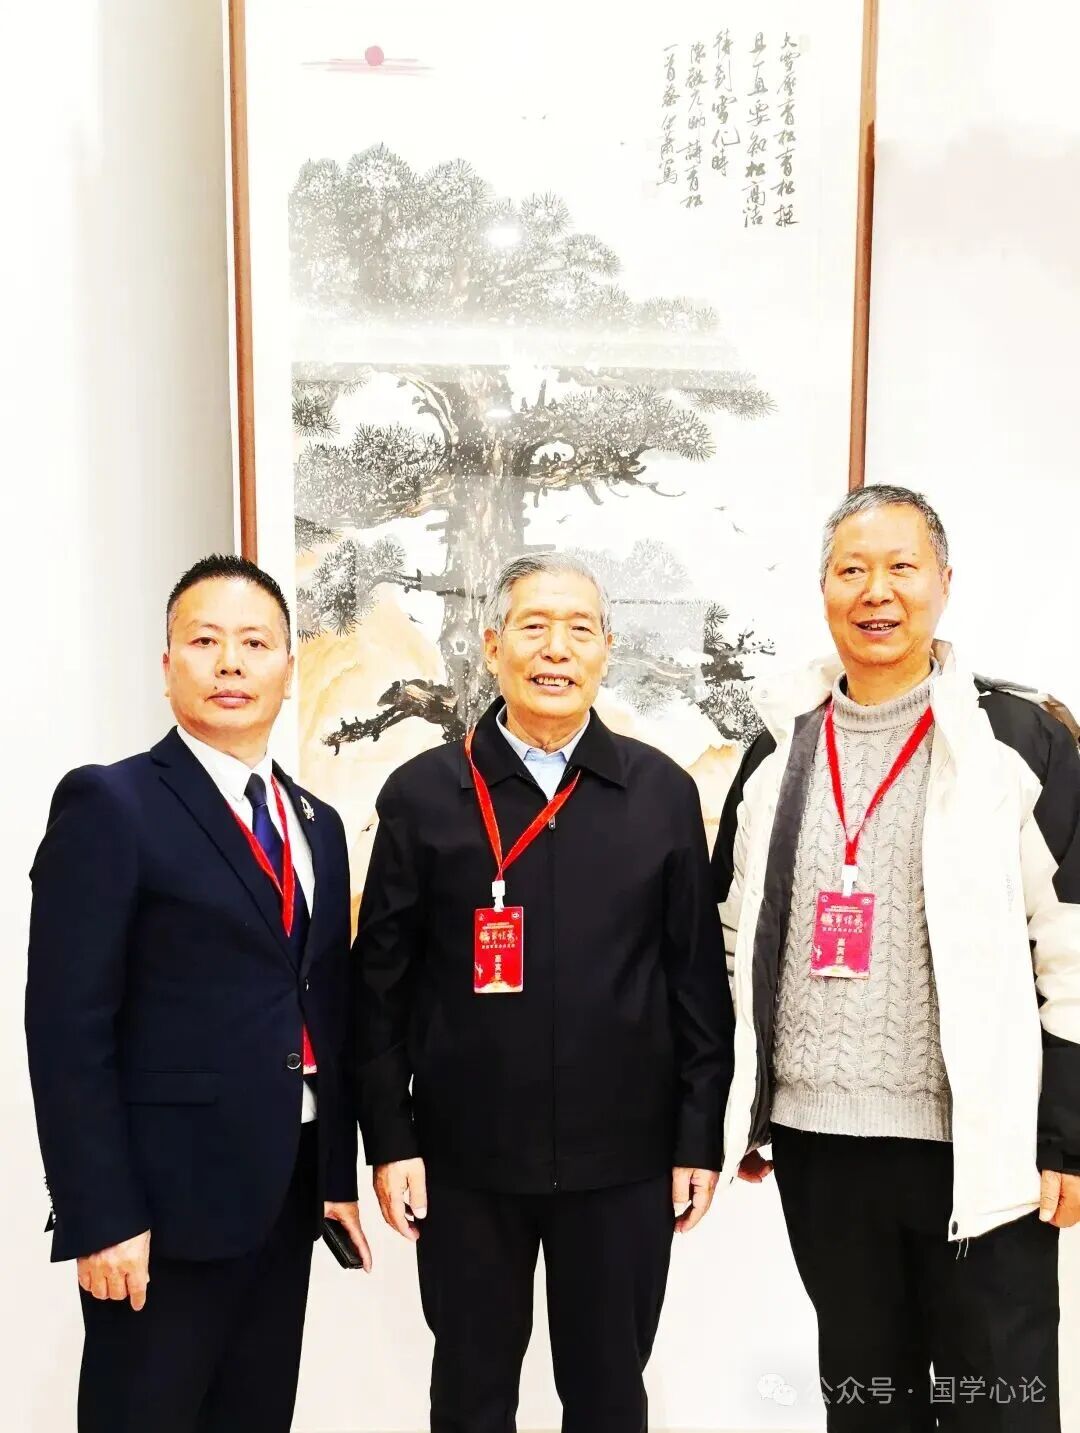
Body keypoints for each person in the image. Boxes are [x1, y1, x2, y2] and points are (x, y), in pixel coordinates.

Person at [714, 486, 1080, 1430]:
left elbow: (1073, 945)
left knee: (999, 1401)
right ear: (824, 590)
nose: (876, 591)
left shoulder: (1018, 738)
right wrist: (742, 1102)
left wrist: (1067, 1135)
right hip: (821, 1144)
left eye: (901, 567)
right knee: (868, 1400)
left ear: (944, 582)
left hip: (979, 1145)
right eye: (852, 569)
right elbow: (731, 936)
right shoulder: (776, 748)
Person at [353, 552, 733, 1433]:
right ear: (493, 646)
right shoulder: (424, 794)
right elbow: (378, 987)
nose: (555, 649)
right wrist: (390, 1138)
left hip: (624, 1163)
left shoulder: (661, 793)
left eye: (578, 629)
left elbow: (695, 980)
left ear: (606, 649)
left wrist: (697, 1133)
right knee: (471, 1397)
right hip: (464, 1163)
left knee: (609, 1397)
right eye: (533, 626)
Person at [26, 554, 370, 1433]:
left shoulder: (319, 824)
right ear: (167, 662)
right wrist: (99, 1214)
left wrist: (335, 1175)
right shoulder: (112, 803)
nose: (230, 663)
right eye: (204, 641)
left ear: (288, 667)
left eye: (254, 643)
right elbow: (67, 1029)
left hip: (285, 1192)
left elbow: (324, 1005)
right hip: (158, 1210)